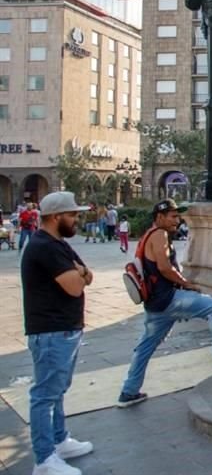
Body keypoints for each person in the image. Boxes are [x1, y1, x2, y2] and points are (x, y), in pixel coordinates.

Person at [117, 200, 212, 408]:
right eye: (172, 216)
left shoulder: (148, 235)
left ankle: (129, 392)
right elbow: (165, 268)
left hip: (155, 304)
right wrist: (187, 284)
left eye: (178, 216)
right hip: (168, 299)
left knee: (145, 348)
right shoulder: (159, 235)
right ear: (159, 217)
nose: (178, 220)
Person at [21, 192, 94, 475]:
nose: (77, 219)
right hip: (51, 331)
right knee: (45, 395)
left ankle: (60, 440)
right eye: (72, 215)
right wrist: (80, 274)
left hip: (65, 329)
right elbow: (76, 286)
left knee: (57, 390)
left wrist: (81, 272)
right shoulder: (45, 247)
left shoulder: (58, 244)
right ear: (55, 217)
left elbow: (87, 275)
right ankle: (44, 459)